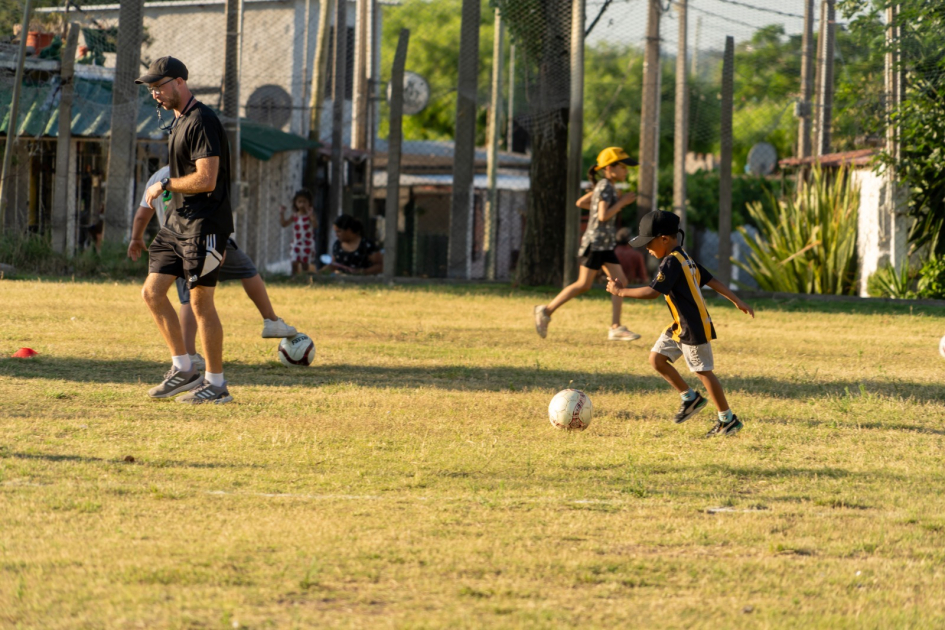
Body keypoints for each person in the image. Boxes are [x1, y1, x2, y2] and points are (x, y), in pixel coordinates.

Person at [133, 56, 235, 404]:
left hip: (205, 227)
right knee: (152, 292)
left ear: (179, 82)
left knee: (200, 302)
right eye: (151, 89)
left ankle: (217, 385)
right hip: (178, 225)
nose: (154, 94)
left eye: (158, 86)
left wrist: (166, 185)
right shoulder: (178, 121)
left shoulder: (202, 120)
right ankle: (184, 369)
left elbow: (207, 179)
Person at [129, 165, 298, 372]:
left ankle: (189, 354)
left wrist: (136, 238)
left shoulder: (157, 177)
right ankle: (271, 321)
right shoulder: (199, 172)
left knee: (188, 299)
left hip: (173, 244)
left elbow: (141, 214)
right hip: (206, 238)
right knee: (246, 270)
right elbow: (214, 209)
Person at [606, 210, 755, 437]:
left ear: (664, 239)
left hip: (693, 327)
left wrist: (620, 291)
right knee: (656, 359)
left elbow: (652, 292)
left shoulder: (671, 263)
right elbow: (710, 279)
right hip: (679, 325)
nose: (646, 248)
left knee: (704, 372)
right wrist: (736, 300)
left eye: (649, 243)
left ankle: (728, 420)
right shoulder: (684, 258)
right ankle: (690, 398)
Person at [533, 147, 641, 342]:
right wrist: (621, 202)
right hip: (597, 243)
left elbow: (581, 202)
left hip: (605, 244)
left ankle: (615, 327)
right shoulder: (606, 186)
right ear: (610, 168)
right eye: (623, 166)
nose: (626, 171)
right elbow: (602, 216)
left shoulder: (604, 186)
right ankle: (546, 310)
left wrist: (600, 197)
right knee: (583, 284)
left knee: (620, 282)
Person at [279, 189, 317, 275]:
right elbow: (284, 224)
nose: (302, 204)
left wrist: (312, 216)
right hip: (296, 243)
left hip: (307, 244)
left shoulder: (309, 216)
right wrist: (281, 213)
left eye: (304, 202)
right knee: (294, 262)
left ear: (309, 203)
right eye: (299, 202)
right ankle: (294, 279)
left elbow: (315, 225)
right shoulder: (295, 216)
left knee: (305, 264)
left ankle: (305, 279)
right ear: (295, 203)